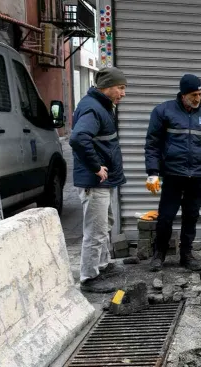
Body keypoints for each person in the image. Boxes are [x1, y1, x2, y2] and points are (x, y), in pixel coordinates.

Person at [144, 74, 201, 272]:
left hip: (196, 176)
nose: (198, 98)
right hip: (173, 174)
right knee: (166, 217)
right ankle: (159, 254)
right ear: (183, 94)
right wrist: (153, 172)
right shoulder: (163, 111)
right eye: (194, 94)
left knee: (191, 216)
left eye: (200, 94)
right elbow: (152, 145)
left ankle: (186, 255)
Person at [70, 67, 128, 292]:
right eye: (120, 88)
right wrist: (96, 167)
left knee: (105, 225)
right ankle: (89, 277)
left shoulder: (102, 106)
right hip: (94, 183)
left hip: (104, 181)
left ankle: (102, 265)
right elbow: (78, 138)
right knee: (95, 230)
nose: (123, 93)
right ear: (106, 87)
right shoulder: (93, 108)